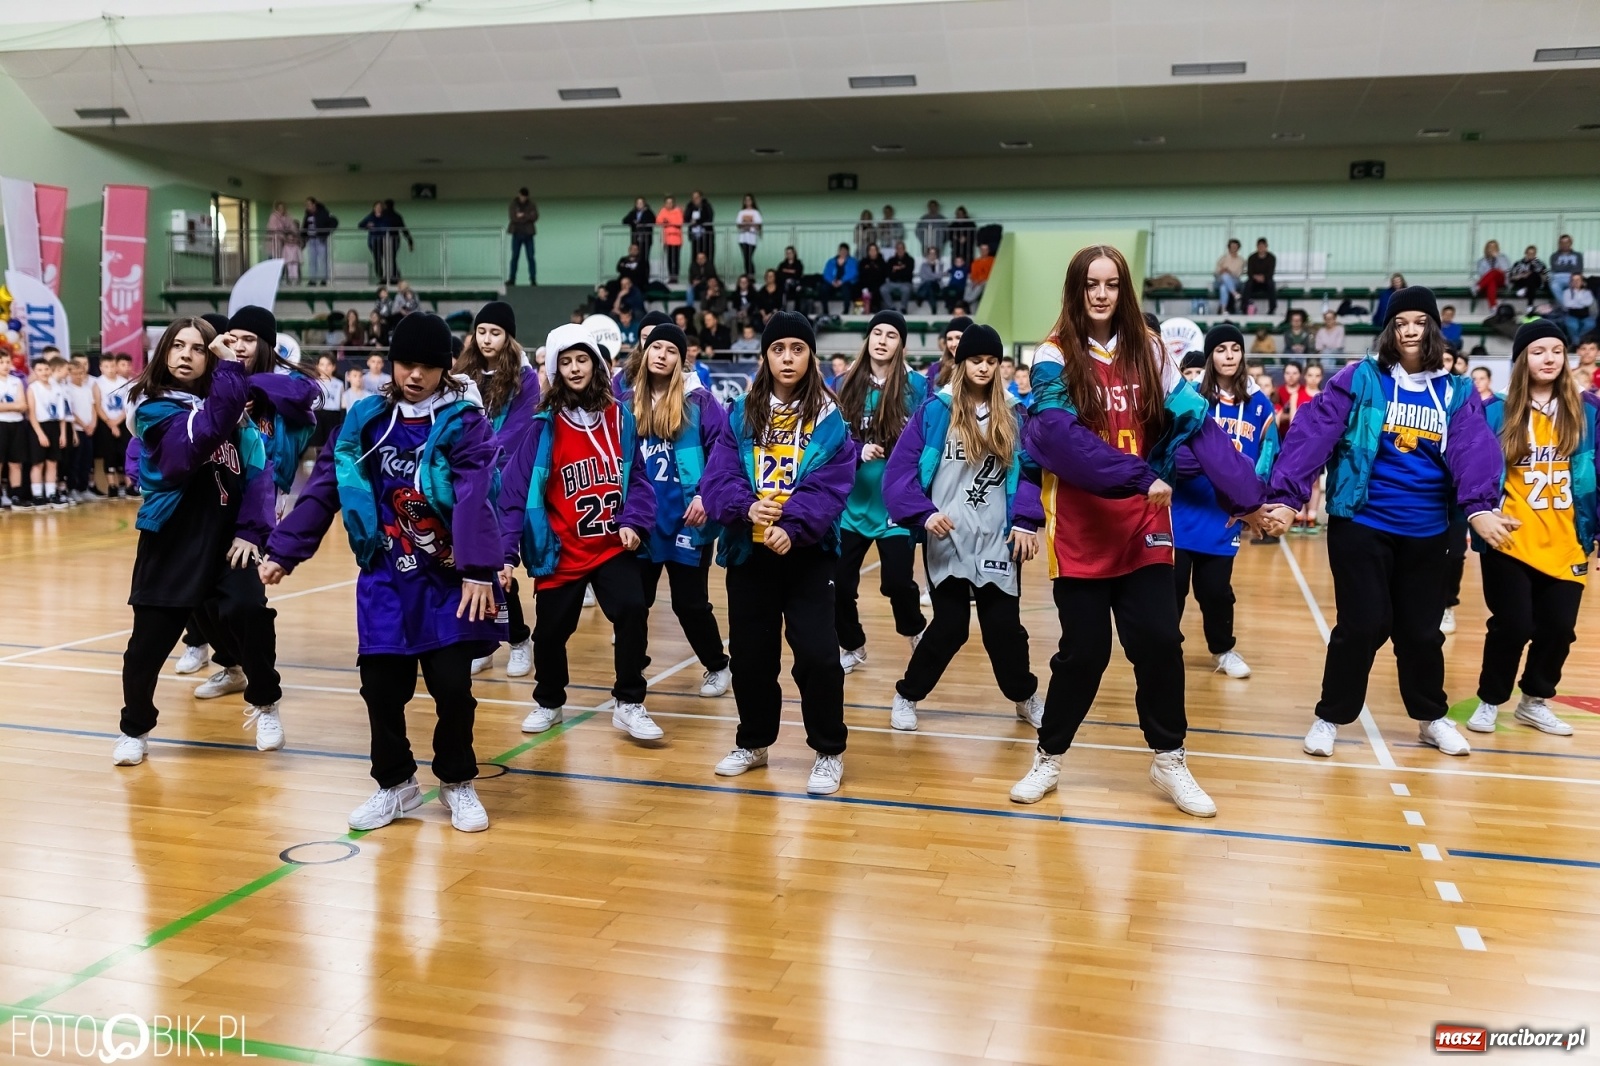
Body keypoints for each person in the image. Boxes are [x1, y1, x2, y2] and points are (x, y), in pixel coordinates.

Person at [1010, 245, 1269, 816]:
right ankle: (1049, 756)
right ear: (1076, 291)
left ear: (1124, 290)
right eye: (1090, 285)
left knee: (1159, 642)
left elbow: (1195, 425)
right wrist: (1134, 475)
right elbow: (1053, 437)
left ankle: (1170, 758)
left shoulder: (1150, 350)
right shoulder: (1052, 355)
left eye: (1111, 284)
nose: (1101, 294)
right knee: (1083, 654)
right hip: (1080, 527)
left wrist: (1249, 499)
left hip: (1145, 524)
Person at [260, 313, 502, 831]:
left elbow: (476, 494)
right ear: (391, 364)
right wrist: (285, 550)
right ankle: (395, 784)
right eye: (405, 364)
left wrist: (481, 569)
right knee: (381, 689)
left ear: (445, 369)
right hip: (386, 576)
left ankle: (457, 782)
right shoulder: (365, 417)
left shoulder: (464, 420)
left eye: (427, 366)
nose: (415, 375)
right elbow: (326, 483)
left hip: (449, 581)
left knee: (453, 688)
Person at [1261, 286, 1509, 760]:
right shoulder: (1361, 379)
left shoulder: (1455, 391)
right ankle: (1330, 717)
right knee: (1363, 623)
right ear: (1389, 330)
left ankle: (1430, 718)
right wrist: (1289, 499)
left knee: (1420, 631)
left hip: (1427, 528)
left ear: (1432, 328)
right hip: (1362, 521)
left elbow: (1474, 450)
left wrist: (1479, 507)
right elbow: (1314, 435)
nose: (1410, 330)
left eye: (1419, 321)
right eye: (1401, 322)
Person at [700, 311, 857, 794]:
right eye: (778, 349)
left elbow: (832, 485)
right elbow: (717, 479)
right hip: (750, 555)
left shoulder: (830, 419)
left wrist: (793, 524)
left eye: (797, 349)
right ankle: (754, 741)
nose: (787, 358)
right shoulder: (742, 412)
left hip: (808, 555)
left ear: (810, 356)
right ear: (765, 356)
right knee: (750, 656)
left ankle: (828, 751)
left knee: (818, 655)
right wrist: (747, 507)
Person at [111, 318, 280, 767]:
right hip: (173, 541)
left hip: (229, 541)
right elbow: (198, 439)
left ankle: (265, 704)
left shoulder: (232, 410)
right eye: (178, 345)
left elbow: (262, 474)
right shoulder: (151, 408)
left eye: (200, 348)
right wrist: (230, 371)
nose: (186, 354)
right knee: (146, 647)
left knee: (249, 613)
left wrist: (251, 530)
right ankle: (135, 728)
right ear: (163, 353)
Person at [498, 323, 659, 741]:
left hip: (610, 546)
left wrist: (633, 522)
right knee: (551, 633)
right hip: (560, 549)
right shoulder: (541, 428)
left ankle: (629, 702)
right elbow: (513, 495)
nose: (574, 368)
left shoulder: (619, 417)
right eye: (565, 361)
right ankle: (549, 701)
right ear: (554, 368)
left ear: (596, 364)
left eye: (581, 359)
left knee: (632, 609)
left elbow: (638, 481)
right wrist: (505, 556)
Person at [882, 323, 1044, 730]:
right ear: (961, 361)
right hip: (947, 536)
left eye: (992, 361)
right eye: (976, 360)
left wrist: (1025, 520)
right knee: (950, 627)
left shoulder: (1014, 413)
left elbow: (1031, 474)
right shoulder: (936, 410)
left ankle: (1024, 696)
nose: (985, 369)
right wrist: (922, 513)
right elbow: (899, 473)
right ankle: (907, 694)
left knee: (1004, 629)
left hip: (998, 539)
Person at [1465, 320, 1597, 738]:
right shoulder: (1495, 410)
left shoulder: (1587, 410)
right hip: (1511, 536)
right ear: (1522, 359)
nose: (1549, 358)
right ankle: (1490, 699)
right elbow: (1473, 470)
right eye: (1539, 351)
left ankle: (1534, 701)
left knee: (1559, 629)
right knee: (1513, 624)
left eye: (1557, 351)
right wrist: (1482, 511)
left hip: (1568, 540)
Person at [621, 323, 733, 697]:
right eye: (657, 348)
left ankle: (717, 665)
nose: (662, 355)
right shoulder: (626, 402)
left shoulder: (700, 402)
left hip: (688, 518)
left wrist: (705, 495)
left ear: (681, 360)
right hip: (642, 520)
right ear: (646, 352)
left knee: (690, 605)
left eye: (672, 350)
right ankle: (631, 672)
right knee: (635, 603)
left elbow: (723, 453)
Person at [1171, 325, 1279, 679]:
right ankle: (1165, 649)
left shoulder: (1259, 404)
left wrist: (1250, 501)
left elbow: (1267, 456)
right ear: (1210, 356)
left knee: (1216, 591)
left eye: (1235, 348)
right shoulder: (1190, 397)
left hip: (1224, 517)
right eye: (1220, 349)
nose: (1229, 355)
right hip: (1182, 509)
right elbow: (1171, 450)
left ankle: (1223, 649)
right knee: (1172, 588)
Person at [833, 310, 928, 673]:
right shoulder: (845, 383)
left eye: (891, 334)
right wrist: (858, 450)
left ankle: (915, 629)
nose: (883, 339)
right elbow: (831, 439)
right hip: (852, 505)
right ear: (868, 339)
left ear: (901, 343)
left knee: (897, 584)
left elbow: (928, 438)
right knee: (839, 584)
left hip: (896, 505)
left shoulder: (917, 387)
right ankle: (852, 644)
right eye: (877, 332)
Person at [453, 301, 541, 678]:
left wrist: (480, 452)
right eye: (482, 331)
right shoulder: (461, 373)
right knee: (471, 566)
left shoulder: (525, 378)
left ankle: (520, 640)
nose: (487, 339)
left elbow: (518, 430)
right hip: (467, 482)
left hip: (505, 482)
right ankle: (482, 643)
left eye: (496, 332)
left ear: (508, 337)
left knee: (498, 565)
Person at [26, 354, 70, 509]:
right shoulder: (32, 388)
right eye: (40, 369)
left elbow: (62, 415)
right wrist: (40, 434)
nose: (44, 372)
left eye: (46, 369)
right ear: (34, 371)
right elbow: (31, 414)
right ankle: (37, 495)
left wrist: (63, 433)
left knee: (52, 462)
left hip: (54, 427)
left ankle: (51, 493)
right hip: (39, 427)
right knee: (38, 463)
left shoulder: (57, 388)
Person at [94, 352, 134, 498]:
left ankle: (130, 485)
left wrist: (119, 420)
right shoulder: (98, 383)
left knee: (125, 452)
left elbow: (128, 405)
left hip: (122, 422)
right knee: (109, 454)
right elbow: (97, 405)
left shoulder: (123, 382)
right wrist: (111, 424)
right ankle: (112, 486)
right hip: (106, 423)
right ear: (101, 368)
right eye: (106, 366)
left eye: (112, 366)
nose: (110, 369)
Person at [63, 354, 98, 500]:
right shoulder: (67, 389)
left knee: (87, 460)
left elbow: (93, 407)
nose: (78, 376)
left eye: (81, 373)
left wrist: (92, 424)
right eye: (75, 373)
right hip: (77, 430)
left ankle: (84, 488)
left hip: (89, 430)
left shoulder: (87, 388)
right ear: (69, 373)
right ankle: (73, 489)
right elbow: (71, 412)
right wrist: (83, 425)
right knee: (74, 462)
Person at [0, 362, 28, 509]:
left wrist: (11, 406)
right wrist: (14, 406)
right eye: (1, 363)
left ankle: (16, 494)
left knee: (16, 462)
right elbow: (17, 405)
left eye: (6, 362)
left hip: (16, 424)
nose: (5, 365)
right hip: (1, 424)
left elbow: (23, 405)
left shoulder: (16, 381)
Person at [358, 201, 396, 285]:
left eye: (380, 207)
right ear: (374, 208)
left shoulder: (386, 217)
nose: (378, 209)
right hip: (374, 241)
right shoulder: (370, 217)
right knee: (377, 259)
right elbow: (360, 225)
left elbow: (389, 226)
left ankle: (390, 277)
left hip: (384, 240)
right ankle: (381, 277)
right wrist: (367, 226)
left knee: (388, 259)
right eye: (377, 207)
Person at [508, 187, 539, 285]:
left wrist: (522, 215)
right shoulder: (513, 204)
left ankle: (533, 279)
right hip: (517, 233)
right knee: (515, 257)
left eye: (524, 197)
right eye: (522, 196)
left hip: (528, 234)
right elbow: (513, 217)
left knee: (530, 257)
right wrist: (527, 216)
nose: (523, 198)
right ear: (519, 195)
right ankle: (512, 279)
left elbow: (535, 216)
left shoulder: (531, 204)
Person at [302, 197, 335, 286]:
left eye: (309, 204)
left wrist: (326, 233)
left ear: (314, 204)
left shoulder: (323, 212)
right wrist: (303, 238)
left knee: (323, 260)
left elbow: (334, 222)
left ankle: (323, 279)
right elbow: (305, 226)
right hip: (311, 239)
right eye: (306, 205)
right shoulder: (307, 214)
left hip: (320, 239)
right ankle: (312, 280)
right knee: (312, 260)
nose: (307, 206)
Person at [267, 201, 302, 284]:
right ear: (277, 209)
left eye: (283, 208)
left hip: (286, 244)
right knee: (275, 261)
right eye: (280, 208)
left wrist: (294, 237)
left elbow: (292, 227)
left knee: (288, 262)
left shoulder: (287, 217)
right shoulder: (273, 217)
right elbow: (274, 230)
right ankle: (274, 280)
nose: (282, 210)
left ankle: (285, 279)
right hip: (275, 244)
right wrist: (285, 237)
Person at [1548, 234, 1584, 314]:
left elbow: (1579, 268)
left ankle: (1566, 308)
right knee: (1554, 285)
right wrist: (1570, 267)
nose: (1564, 245)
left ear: (1571, 243)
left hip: (1573, 276)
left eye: (1567, 242)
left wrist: (1563, 267)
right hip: (1558, 277)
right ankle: (1568, 308)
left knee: (1577, 284)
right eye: (1562, 243)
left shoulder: (1578, 255)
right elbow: (1555, 269)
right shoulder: (1554, 256)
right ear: (1559, 244)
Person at [1507, 245, 1548, 310]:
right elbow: (1511, 277)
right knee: (1529, 279)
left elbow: (1546, 278)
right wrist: (1522, 275)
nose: (1531, 255)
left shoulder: (1540, 264)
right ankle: (1530, 305)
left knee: (1533, 275)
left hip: (1535, 282)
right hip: (1522, 282)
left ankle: (1525, 290)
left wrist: (1537, 274)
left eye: (1533, 254)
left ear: (1535, 254)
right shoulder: (1518, 263)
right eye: (1529, 253)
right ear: (1525, 253)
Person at [822, 243, 858, 315]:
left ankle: (846, 311)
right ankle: (825, 311)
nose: (843, 252)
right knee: (824, 288)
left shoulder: (852, 261)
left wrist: (842, 281)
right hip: (833, 283)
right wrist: (832, 282)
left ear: (848, 252)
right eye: (841, 250)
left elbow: (853, 273)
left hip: (845, 282)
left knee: (846, 288)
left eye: (845, 251)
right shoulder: (831, 261)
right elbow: (826, 273)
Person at [1244, 238, 1277, 314]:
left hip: (1266, 281)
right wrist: (1255, 277)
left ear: (1266, 247)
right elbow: (1249, 272)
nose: (1261, 248)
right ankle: (1244, 308)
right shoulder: (1252, 257)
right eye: (1259, 246)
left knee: (1271, 283)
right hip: (1254, 281)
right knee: (1247, 284)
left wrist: (1263, 277)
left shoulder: (1271, 258)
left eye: (1263, 246)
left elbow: (1271, 272)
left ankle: (1272, 309)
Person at [1474, 240, 1510, 308]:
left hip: (1501, 280)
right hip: (1489, 281)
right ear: (1486, 249)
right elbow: (1482, 274)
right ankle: (1493, 307)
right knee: (1491, 282)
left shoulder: (1503, 258)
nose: (1492, 249)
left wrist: (1498, 257)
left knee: (1494, 272)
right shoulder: (1481, 261)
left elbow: (1506, 270)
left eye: (1494, 247)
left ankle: (1478, 287)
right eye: (1490, 247)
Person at [657, 195, 685, 284]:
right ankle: (671, 277)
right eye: (667, 202)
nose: (669, 204)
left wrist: (668, 222)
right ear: (665, 203)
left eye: (670, 202)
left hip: (677, 239)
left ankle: (675, 277)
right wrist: (670, 222)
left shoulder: (678, 211)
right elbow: (658, 221)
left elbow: (679, 222)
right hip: (667, 239)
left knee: (676, 259)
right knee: (669, 259)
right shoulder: (663, 211)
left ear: (673, 203)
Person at [1561, 273, 1594, 343]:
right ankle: (1576, 344)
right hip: (1572, 314)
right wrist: (1580, 302)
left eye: (1578, 280)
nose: (1575, 282)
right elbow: (1567, 304)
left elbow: (1589, 302)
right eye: (1573, 280)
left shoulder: (1587, 292)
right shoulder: (1567, 292)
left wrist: (1574, 302)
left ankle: (1578, 338)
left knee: (1591, 324)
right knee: (1572, 326)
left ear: (1582, 282)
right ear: (1570, 282)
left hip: (1585, 315)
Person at [735, 194, 762, 277]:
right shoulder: (741, 212)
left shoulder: (755, 212)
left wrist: (747, 225)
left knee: (749, 257)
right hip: (742, 239)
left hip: (752, 239)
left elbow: (758, 225)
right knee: (745, 257)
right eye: (746, 200)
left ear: (752, 201)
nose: (747, 202)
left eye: (749, 200)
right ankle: (748, 275)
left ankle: (751, 275)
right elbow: (739, 224)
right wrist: (749, 225)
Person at [686, 190, 715, 268]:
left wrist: (697, 221)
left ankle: (708, 274)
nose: (695, 199)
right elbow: (686, 218)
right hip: (695, 236)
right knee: (695, 255)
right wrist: (690, 221)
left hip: (706, 236)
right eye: (693, 198)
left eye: (697, 197)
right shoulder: (690, 206)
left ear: (701, 198)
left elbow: (709, 218)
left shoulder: (706, 206)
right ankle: (696, 276)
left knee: (708, 255)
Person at [883, 240, 915, 312]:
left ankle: (903, 308)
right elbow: (889, 274)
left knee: (906, 290)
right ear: (896, 250)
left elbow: (908, 273)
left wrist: (896, 270)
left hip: (905, 282)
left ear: (904, 249)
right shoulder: (891, 260)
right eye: (898, 248)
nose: (900, 250)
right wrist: (902, 269)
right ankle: (891, 307)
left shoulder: (910, 260)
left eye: (901, 248)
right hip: (893, 282)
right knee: (883, 289)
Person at [1214, 239, 1244, 313]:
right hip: (1221, 279)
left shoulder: (1241, 260)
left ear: (1238, 248)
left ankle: (1223, 309)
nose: (1233, 248)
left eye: (1235, 247)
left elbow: (1238, 274)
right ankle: (1235, 294)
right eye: (1232, 247)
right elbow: (1216, 272)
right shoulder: (1223, 258)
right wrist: (1222, 271)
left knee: (1223, 287)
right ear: (1229, 248)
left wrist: (1229, 272)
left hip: (1234, 280)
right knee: (1224, 276)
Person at [624, 196, 656, 266]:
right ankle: (637, 275)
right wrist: (633, 222)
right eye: (638, 203)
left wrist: (641, 223)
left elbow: (653, 220)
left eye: (641, 203)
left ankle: (645, 275)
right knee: (636, 258)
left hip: (646, 239)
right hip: (636, 239)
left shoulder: (648, 212)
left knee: (645, 258)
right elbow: (624, 220)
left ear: (644, 204)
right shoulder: (633, 212)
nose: (639, 204)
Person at [858, 243, 888, 311]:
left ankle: (876, 309)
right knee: (858, 289)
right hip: (865, 284)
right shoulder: (863, 262)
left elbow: (883, 275)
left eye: (874, 250)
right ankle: (860, 309)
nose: (872, 252)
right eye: (871, 250)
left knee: (877, 290)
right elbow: (861, 274)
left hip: (878, 283)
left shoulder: (882, 262)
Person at [914, 246, 944, 312]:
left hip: (936, 286)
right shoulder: (923, 265)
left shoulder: (940, 265)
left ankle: (920, 296)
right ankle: (933, 307)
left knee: (929, 283)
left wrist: (929, 275)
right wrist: (934, 276)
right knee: (929, 285)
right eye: (930, 254)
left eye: (934, 254)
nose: (932, 256)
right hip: (925, 284)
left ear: (936, 255)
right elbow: (923, 277)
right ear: (927, 255)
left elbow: (940, 276)